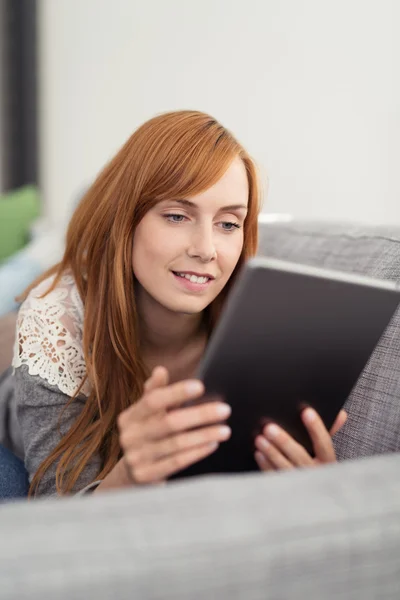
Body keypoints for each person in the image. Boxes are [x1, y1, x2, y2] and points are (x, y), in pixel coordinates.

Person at [9, 110, 346, 497]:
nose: (206, 250)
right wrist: (128, 477)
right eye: (176, 215)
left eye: (228, 224)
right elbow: (57, 521)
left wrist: (319, 491)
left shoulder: (262, 328)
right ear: (125, 221)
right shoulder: (56, 321)